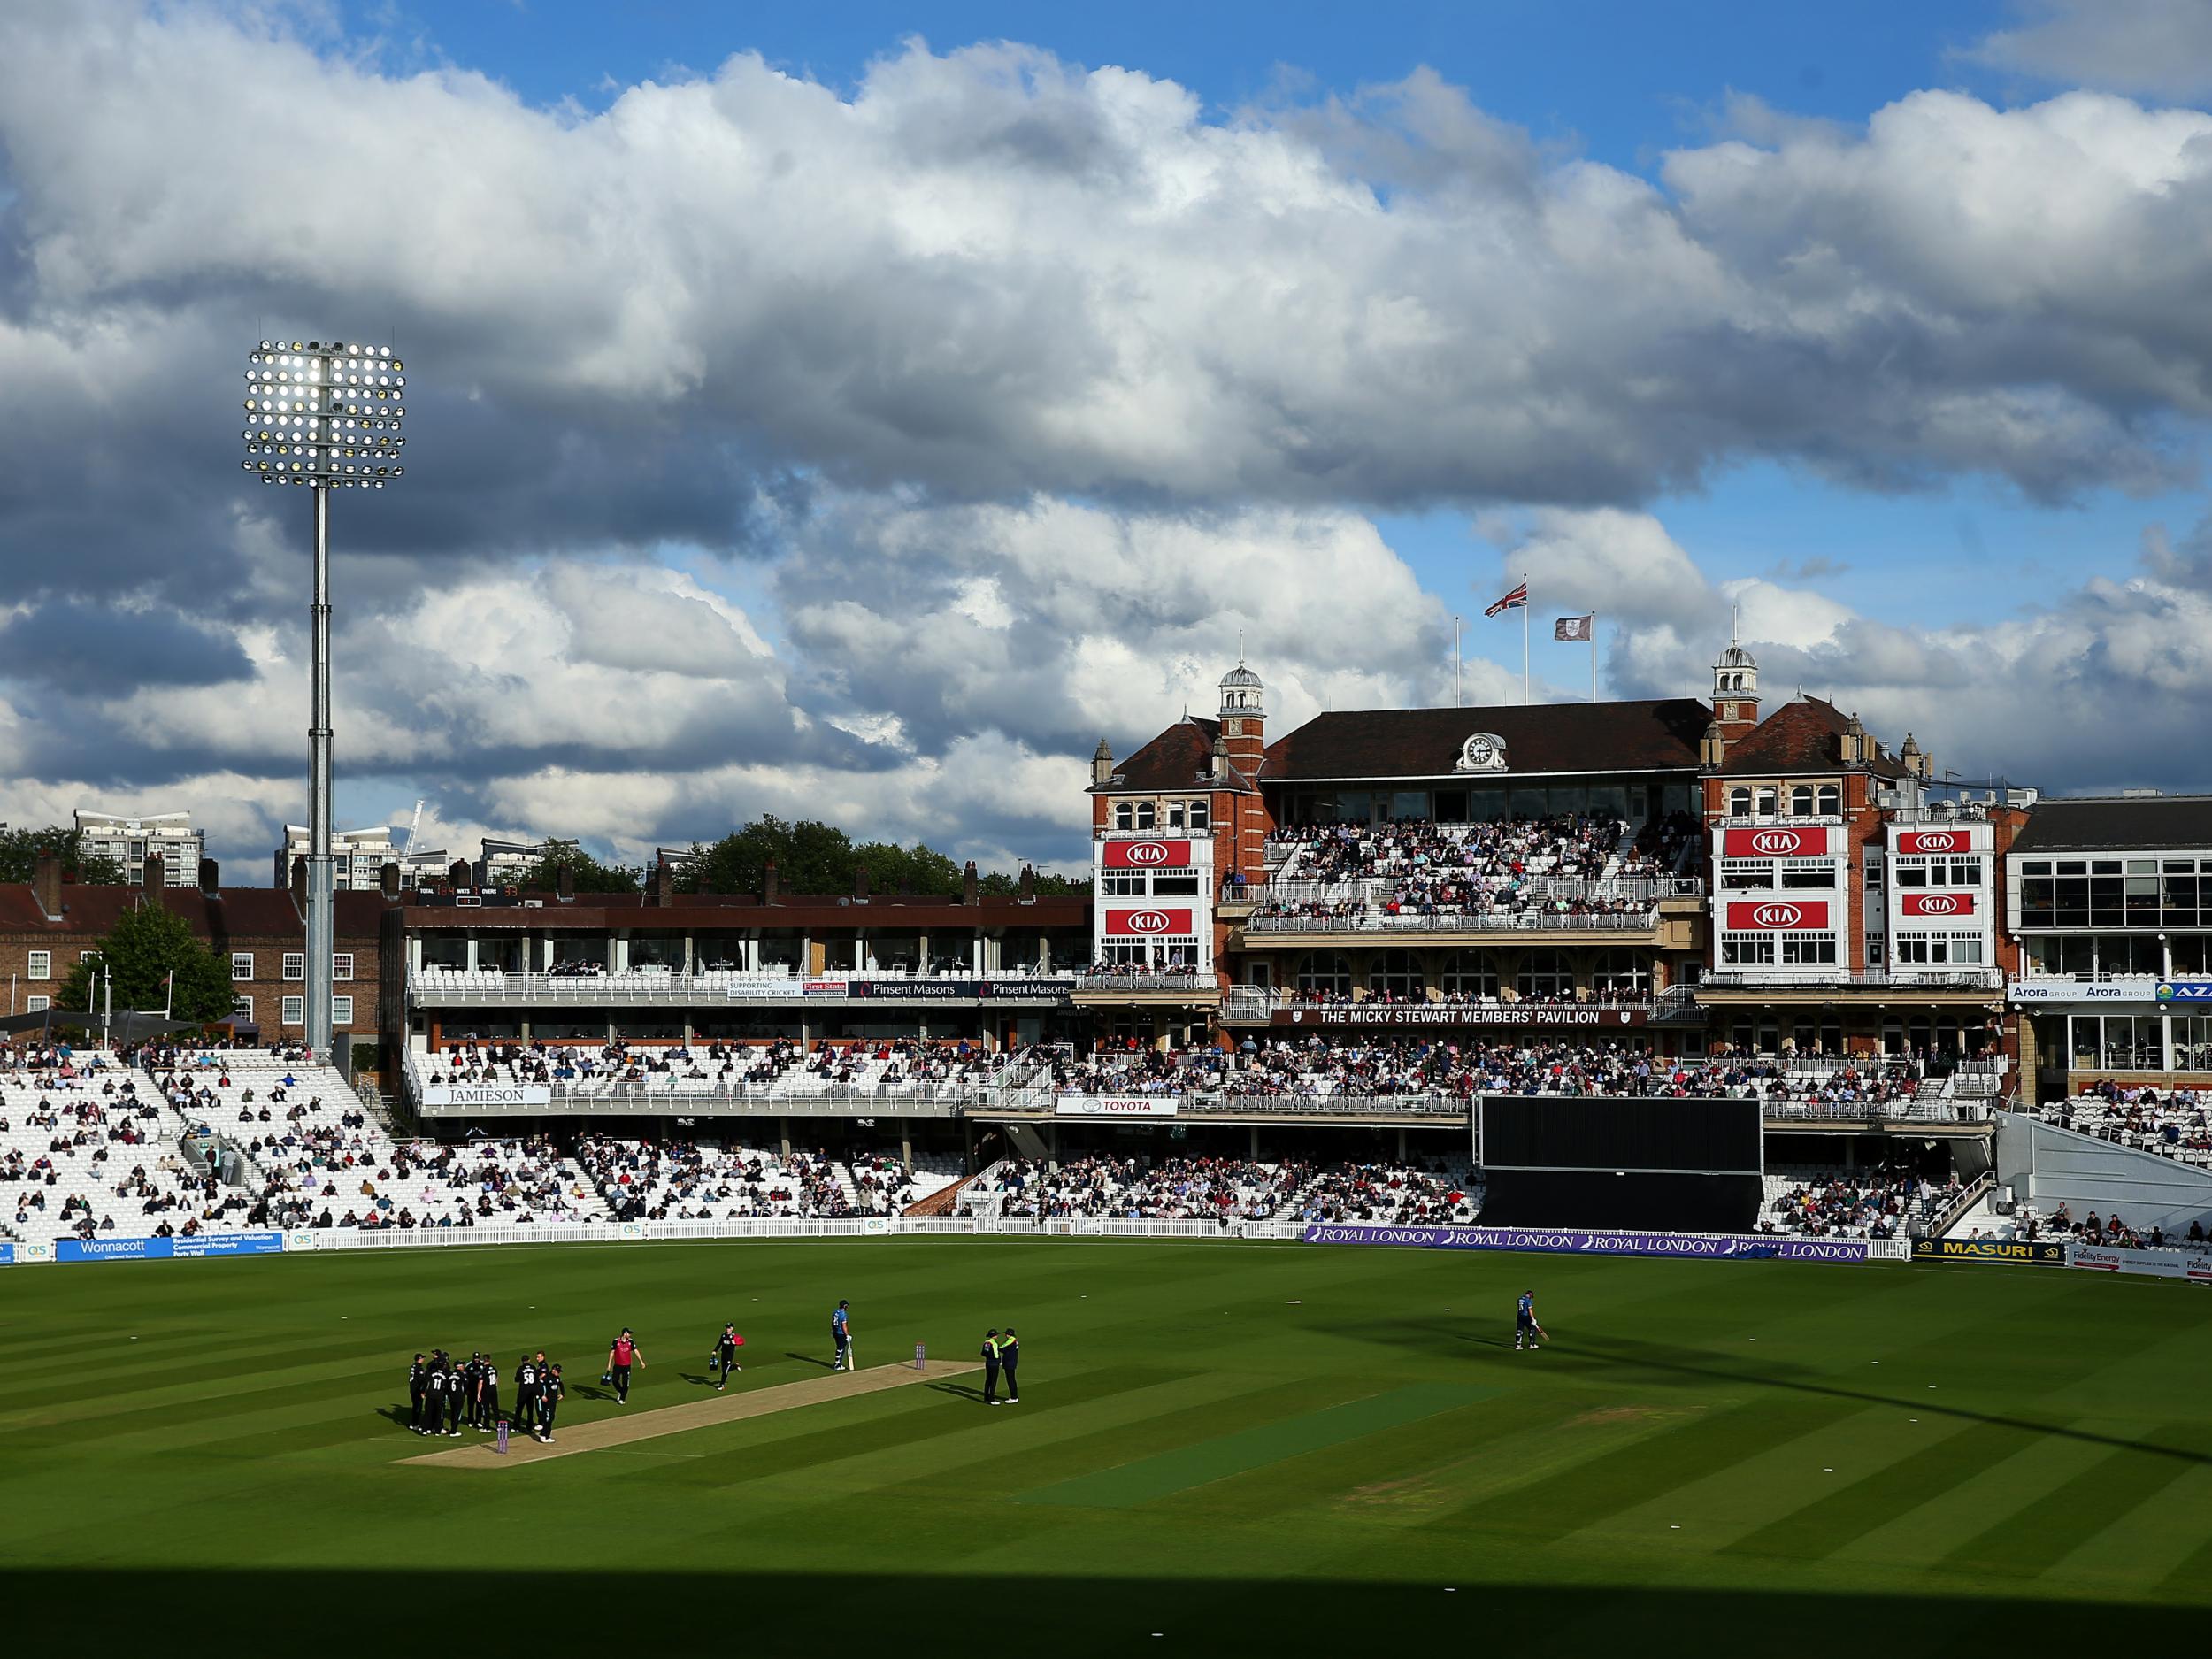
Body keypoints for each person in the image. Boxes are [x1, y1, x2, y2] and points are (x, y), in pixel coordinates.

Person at [606, 1328, 643, 1404]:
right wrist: (609, 1364)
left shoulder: (630, 1342)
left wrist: (641, 1361)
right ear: (624, 1334)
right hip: (617, 1365)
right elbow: (612, 1352)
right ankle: (620, 1391)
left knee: (625, 1383)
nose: (630, 1335)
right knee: (614, 1380)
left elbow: (636, 1351)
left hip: (627, 1366)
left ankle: (622, 1399)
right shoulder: (616, 1341)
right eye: (629, 1333)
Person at [535, 1363, 565, 1443]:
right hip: (547, 1402)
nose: (558, 1373)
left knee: (551, 1418)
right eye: (557, 1371)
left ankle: (546, 1435)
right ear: (553, 1370)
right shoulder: (547, 1378)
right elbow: (538, 1386)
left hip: (553, 1401)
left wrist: (562, 1394)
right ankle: (544, 1435)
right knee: (549, 1418)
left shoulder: (557, 1378)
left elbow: (561, 1384)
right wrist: (542, 1396)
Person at [713, 1323, 743, 1392]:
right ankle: (735, 1366)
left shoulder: (734, 1336)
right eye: (727, 1327)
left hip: (729, 1355)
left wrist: (735, 1343)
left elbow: (742, 1342)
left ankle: (722, 1385)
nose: (727, 1329)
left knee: (725, 1371)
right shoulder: (723, 1335)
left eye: (729, 1328)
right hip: (723, 1354)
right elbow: (720, 1343)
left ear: (732, 1328)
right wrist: (715, 1350)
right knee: (724, 1370)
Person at [514, 1352, 539, 1432]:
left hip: (523, 1392)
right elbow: (536, 1379)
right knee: (530, 1410)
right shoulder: (533, 1367)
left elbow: (517, 1379)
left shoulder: (520, 1368)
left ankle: (516, 1427)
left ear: (522, 1361)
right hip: (531, 1392)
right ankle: (529, 1426)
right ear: (529, 1360)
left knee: (519, 1410)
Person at [477, 1353, 501, 1432]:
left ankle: (486, 1427)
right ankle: (499, 1427)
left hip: (486, 1391)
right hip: (493, 1390)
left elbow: (481, 1382)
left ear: (484, 1361)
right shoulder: (494, 1369)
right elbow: (497, 1380)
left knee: (486, 1409)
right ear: (490, 1360)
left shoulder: (483, 1370)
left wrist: (478, 1394)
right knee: (495, 1409)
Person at [1514, 1288, 1544, 1352]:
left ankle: (1518, 1345)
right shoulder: (1528, 1301)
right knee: (1532, 1328)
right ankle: (1532, 1344)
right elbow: (1530, 1310)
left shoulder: (1520, 1299)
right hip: (1526, 1317)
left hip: (1519, 1316)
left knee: (1519, 1330)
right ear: (1530, 1296)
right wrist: (1533, 1319)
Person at [408, 1351, 428, 1435]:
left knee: (415, 1406)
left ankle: (413, 1423)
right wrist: (423, 1391)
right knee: (418, 1407)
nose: (423, 1359)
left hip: (412, 1389)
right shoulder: (419, 1368)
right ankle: (414, 1424)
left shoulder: (413, 1366)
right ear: (419, 1359)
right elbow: (421, 1380)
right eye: (422, 1358)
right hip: (417, 1390)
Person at [999, 1327, 1020, 1403]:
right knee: (1012, 1380)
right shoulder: (1014, 1340)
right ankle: (1014, 1396)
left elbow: (1002, 1348)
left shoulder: (1011, 1341)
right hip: (1012, 1362)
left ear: (1008, 1334)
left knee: (1010, 1380)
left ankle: (1014, 1397)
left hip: (1009, 1363)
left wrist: (995, 1347)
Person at [831, 1300, 853, 1371]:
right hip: (841, 1333)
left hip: (835, 1333)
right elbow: (844, 1326)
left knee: (841, 1348)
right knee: (840, 1349)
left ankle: (838, 1364)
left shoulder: (835, 1312)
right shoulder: (843, 1314)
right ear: (845, 1306)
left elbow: (833, 1322)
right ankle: (837, 1364)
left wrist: (833, 1331)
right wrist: (847, 1335)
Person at [980, 1328, 1001, 1404]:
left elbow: (983, 1353)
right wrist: (998, 1360)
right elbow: (996, 1355)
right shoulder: (994, 1344)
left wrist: (989, 1357)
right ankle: (992, 1399)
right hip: (994, 1364)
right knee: (993, 1382)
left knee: (988, 1380)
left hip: (988, 1363)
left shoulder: (986, 1343)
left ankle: (986, 1398)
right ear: (994, 1336)